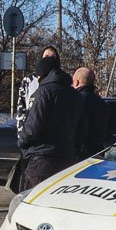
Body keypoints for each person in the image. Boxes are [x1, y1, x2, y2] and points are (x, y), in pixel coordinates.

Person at [18, 53, 84, 190]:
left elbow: (32, 127)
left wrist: (22, 142)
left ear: (42, 74)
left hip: (42, 159)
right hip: (67, 159)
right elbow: (82, 129)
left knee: (33, 203)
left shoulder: (44, 92)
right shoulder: (75, 95)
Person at [15, 45, 59, 189]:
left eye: (51, 57)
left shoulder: (60, 82)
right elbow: (21, 109)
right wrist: (22, 136)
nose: (48, 60)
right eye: (45, 57)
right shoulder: (29, 81)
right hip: (29, 139)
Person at [73, 66, 111, 159]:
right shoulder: (103, 103)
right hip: (97, 152)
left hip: (77, 153)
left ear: (77, 82)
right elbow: (108, 131)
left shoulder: (74, 101)